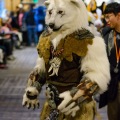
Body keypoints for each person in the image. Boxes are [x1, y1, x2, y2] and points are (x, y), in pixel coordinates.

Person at [22, 0, 110, 120]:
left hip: (78, 109)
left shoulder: (88, 40)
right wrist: (33, 87)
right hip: (51, 106)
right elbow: (41, 67)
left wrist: (74, 97)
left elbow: (96, 77)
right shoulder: (46, 38)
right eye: (50, 13)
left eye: (60, 12)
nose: (52, 21)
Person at [99, 2, 120, 120]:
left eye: (109, 16)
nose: (106, 20)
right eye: (105, 17)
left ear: (119, 16)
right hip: (113, 86)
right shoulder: (105, 34)